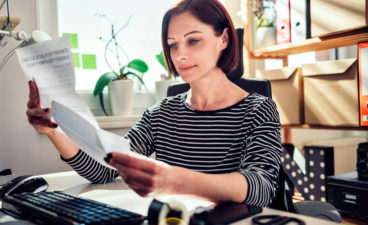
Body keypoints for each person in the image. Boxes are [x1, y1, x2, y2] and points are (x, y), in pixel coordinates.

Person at [26, 0, 282, 207]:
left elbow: (261, 188)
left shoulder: (258, 109)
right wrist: (53, 130)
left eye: (194, 40)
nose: (180, 54)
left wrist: (177, 181)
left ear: (223, 39)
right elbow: (106, 170)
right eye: (173, 45)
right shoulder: (161, 114)